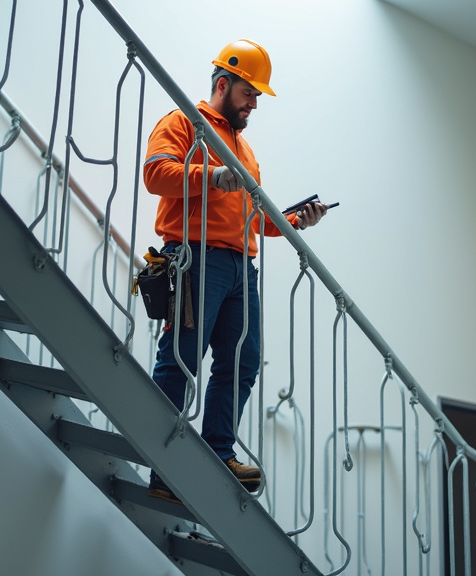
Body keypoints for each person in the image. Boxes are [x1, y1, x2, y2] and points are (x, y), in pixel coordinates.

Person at [142, 39, 329, 503]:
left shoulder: (245, 152)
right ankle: (162, 463)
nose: (255, 102)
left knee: (241, 363)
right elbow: (154, 173)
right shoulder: (185, 121)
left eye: (258, 96)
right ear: (223, 83)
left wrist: (292, 222)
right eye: (250, 92)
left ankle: (218, 451)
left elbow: (252, 218)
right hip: (194, 257)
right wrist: (210, 174)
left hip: (240, 268)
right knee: (182, 357)